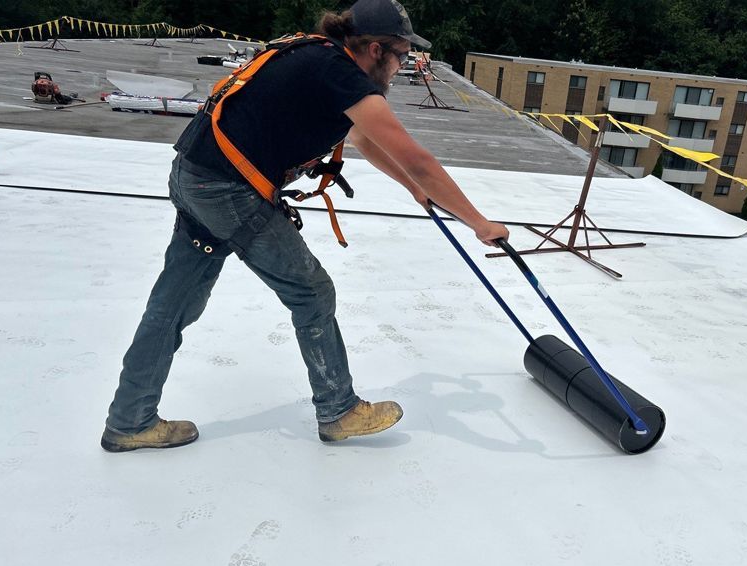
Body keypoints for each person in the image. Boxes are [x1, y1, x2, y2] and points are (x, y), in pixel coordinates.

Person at [101, 0, 509, 452]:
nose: (403, 66)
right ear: (376, 49)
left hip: (194, 175)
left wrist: (414, 188)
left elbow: (362, 139)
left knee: (171, 305)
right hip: (226, 191)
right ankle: (339, 410)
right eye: (402, 55)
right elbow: (417, 156)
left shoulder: (317, 55)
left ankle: (130, 419)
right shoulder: (340, 73)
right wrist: (478, 222)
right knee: (311, 292)